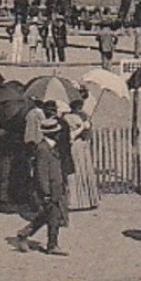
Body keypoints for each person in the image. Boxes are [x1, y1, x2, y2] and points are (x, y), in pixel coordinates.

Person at [11, 113, 69, 255]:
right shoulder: (43, 149)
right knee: (53, 217)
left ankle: (24, 234)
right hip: (49, 190)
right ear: (53, 134)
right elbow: (41, 174)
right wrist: (46, 193)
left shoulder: (52, 147)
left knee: (47, 216)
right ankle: (52, 245)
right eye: (57, 133)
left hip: (56, 188)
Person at [63, 97, 100, 211]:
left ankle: (83, 201)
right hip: (77, 146)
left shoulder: (78, 116)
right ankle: (80, 201)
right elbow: (73, 135)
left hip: (80, 146)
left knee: (81, 172)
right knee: (79, 172)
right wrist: (84, 126)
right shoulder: (72, 118)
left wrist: (87, 126)